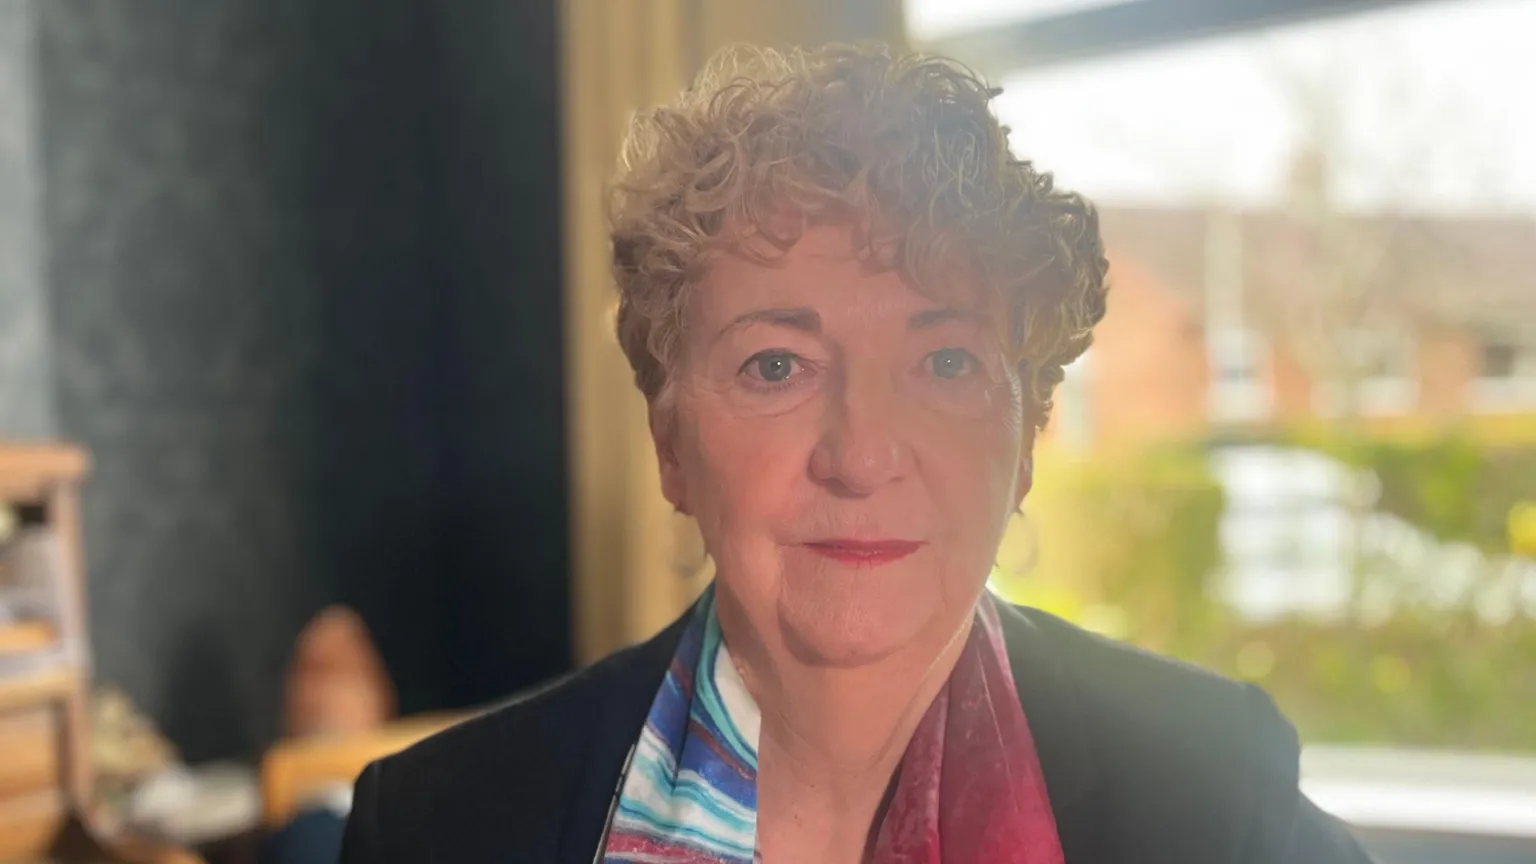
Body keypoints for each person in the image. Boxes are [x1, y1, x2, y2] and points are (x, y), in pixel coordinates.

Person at [339, 43, 1373, 863]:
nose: (862, 454)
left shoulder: (1211, 788)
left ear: (1023, 444)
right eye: (777, 367)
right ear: (671, 445)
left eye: (947, 364)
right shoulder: (437, 826)